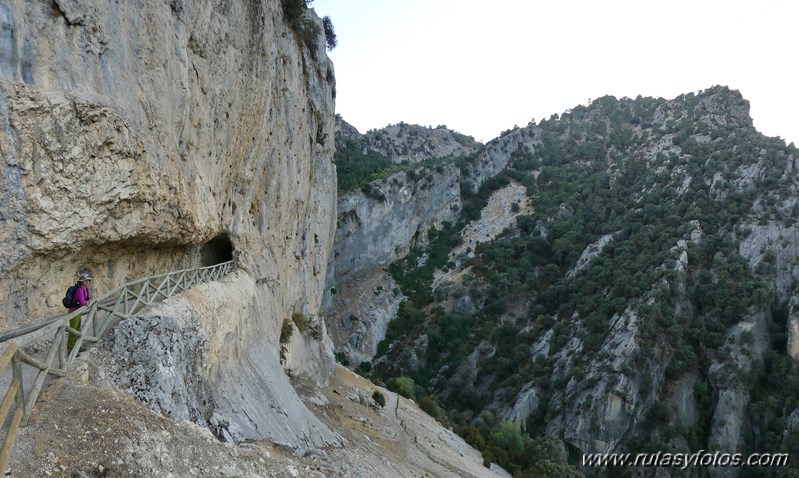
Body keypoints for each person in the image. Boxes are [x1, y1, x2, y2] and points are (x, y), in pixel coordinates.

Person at [67, 272, 92, 353]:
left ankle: (77, 347)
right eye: (85, 280)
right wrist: (86, 302)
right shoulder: (79, 289)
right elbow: (82, 302)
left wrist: (87, 301)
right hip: (73, 311)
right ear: (81, 281)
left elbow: (88, 299)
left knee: (78, 329)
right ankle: (70, 350)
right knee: (73, 330)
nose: (87, 282)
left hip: (78, 311)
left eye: (88, 280)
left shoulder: (86, 288)